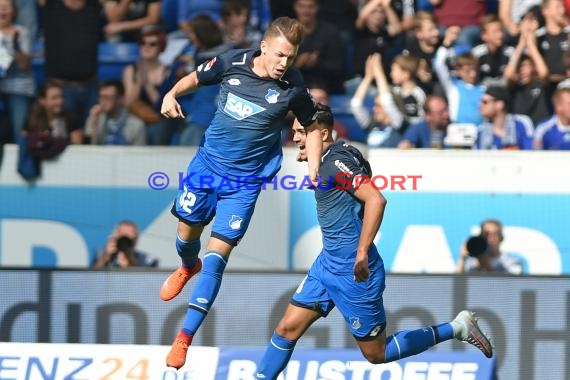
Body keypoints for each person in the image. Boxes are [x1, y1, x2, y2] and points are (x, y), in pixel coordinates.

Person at [255, 106, 493, 379]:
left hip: (354, 273)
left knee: (376, 354)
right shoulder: (331, 159)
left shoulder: (335, 162)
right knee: (287, 328)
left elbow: (375, 199)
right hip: (327, 264)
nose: (296, 138)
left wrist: (361, 252)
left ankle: (457, 328)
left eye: (301, 132)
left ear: (322, 134)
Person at [159, 16, 322, 369]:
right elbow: (197, 77)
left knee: (217, 259)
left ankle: (183, 338)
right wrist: (172, 93)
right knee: (187, 238)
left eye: (290, 58)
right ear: (263, 46)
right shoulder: (232, 62)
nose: (284, 64)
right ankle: (187, 266)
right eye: (280, 55)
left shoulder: (293, 86)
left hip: (244, 184)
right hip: (206, 169)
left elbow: (312, 127)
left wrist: (311, 170)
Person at [350, 53, 404, 148]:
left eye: (378, 106)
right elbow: (355, 104)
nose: (374, 109)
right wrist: (368, 77)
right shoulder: (371, 124)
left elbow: (386, 100)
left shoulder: (398, 123)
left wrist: (379, 72)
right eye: (375, 105)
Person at [86, 80, 146, 145]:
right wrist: (93, 125)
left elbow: (139, 154)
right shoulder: (95, 118)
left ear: (120, 99)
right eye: (101, 97)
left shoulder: (137, 125)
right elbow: (88, 151)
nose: (102, 102)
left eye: (107, 97)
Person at [476, 86, 534, 150]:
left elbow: (530, 152)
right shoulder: (480, 131)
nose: (480, 105)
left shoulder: (522, 123)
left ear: (500, 104)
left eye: (485, 102)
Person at [456, 219, 522, 275]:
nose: (490, 238)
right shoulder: (471, 262)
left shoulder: (512, 262)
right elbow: (457, 285)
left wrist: (486, 267)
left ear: (501, 238)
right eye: (486, 234)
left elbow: (509, 286)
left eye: (495, 234)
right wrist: (462, 258)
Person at [92, 220, 158, 268]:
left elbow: (147, 284)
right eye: (122, 237)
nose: (124, 242)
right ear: (115, 238)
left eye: (128, 239)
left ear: (136, 240)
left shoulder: (146, 260)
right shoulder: (101, 254)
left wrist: (128, 267)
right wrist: (105, 257)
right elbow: (90, 278)